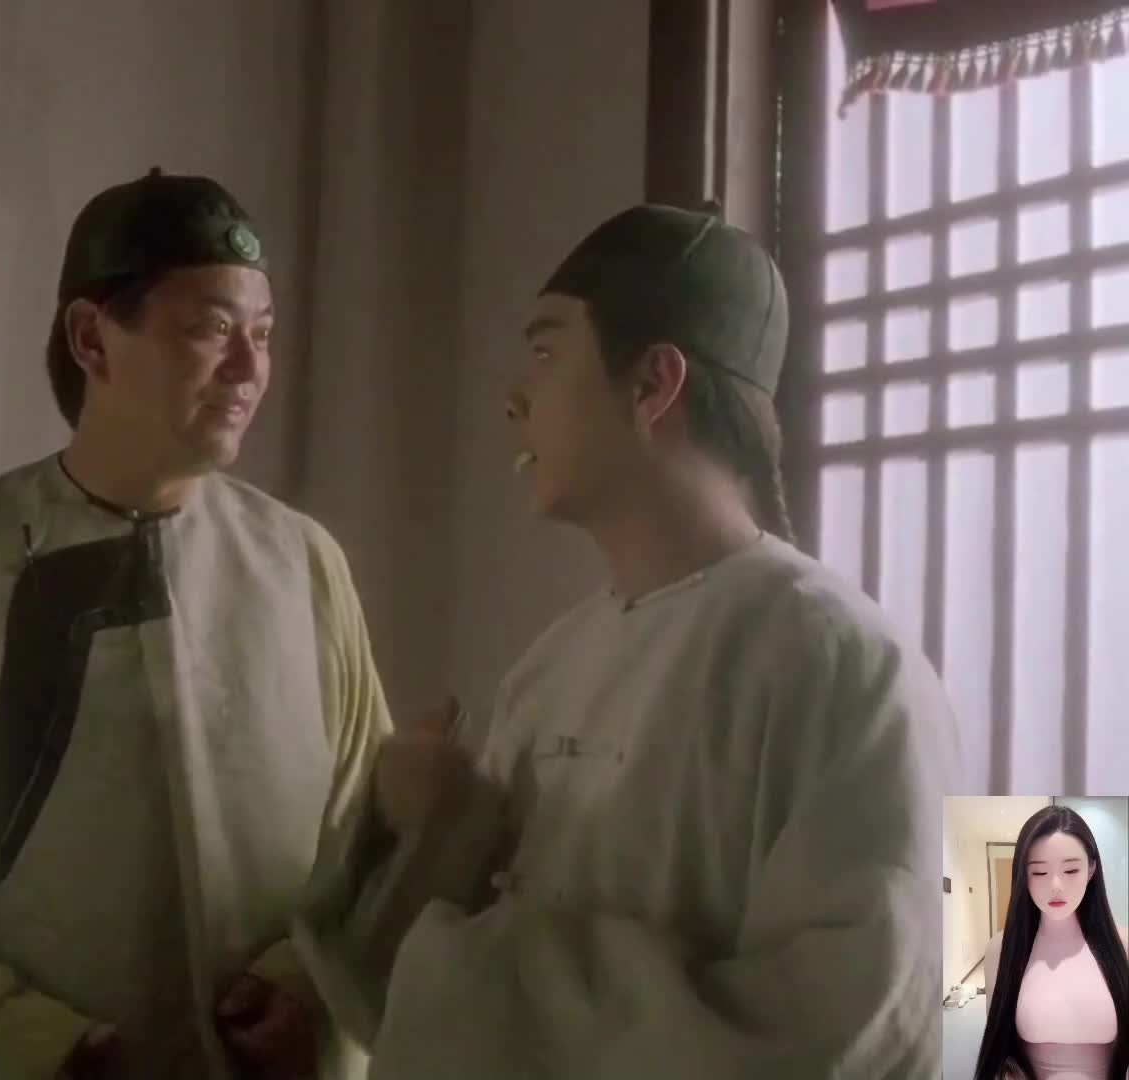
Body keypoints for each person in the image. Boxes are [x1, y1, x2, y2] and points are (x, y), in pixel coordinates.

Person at [297, 204, 961, 1079]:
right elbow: (405, 1012)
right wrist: (424, 828)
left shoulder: (846, 664)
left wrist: (487, 973)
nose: (512, 397)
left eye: (546, 352)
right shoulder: (548, 667)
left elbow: (861, 1032)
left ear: (653, 383)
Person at [0, 168, 389, 1080]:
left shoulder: (300, 562)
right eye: (211, 329)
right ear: (92, 338)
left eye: (262, 334)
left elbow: (366, 827)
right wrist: (36, 1042)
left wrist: (307, 985)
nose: (250, 369)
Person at [974, 805, 1129, 1080]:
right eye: (1039, 873)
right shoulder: (1001, 949)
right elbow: (999, 1048)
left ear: (1091, 869)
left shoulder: (1124, 944)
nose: (1056, 885)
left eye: (1070, 870)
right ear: (1023, 877)